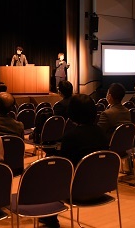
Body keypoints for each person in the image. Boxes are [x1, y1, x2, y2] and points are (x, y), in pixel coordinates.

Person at [40, 94, 109, 228]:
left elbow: (64, 167)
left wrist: (51, 154)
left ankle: (50, 217)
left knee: (48, 170)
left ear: (72, 113)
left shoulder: (71, 136)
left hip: (77, 192)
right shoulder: (101, 133)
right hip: (101, 188)